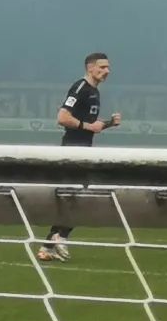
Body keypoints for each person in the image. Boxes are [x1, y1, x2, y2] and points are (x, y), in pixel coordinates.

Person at [36, 52, 121, 263]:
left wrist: (108, 124)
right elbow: (62, 117)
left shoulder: (94, 91)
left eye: (108, 67)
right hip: (73, 149)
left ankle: (51, 244)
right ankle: (57, 238)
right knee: (78, 197)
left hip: (84, 149)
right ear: (90, 68)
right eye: (102, 67)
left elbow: (89, 125)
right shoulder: (80, 87)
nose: (107, 71)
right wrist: (88, 126)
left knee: (76, 198)